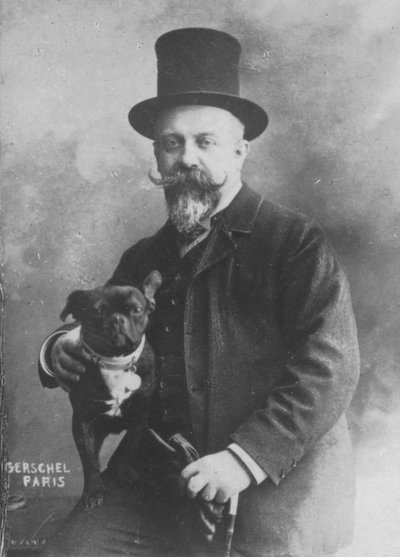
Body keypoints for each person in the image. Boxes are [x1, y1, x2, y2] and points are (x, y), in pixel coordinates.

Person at [38, 28, 360, 557]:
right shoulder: (144, 257)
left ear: (240, 150)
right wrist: (59, 348)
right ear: (157, 156)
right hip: (158, 480)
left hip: (271, 478)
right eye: (172, 143)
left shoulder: (294, 242)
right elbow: (102, 326)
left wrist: (242, 460)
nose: (186, 158)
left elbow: (331, 366)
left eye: (204, 142)